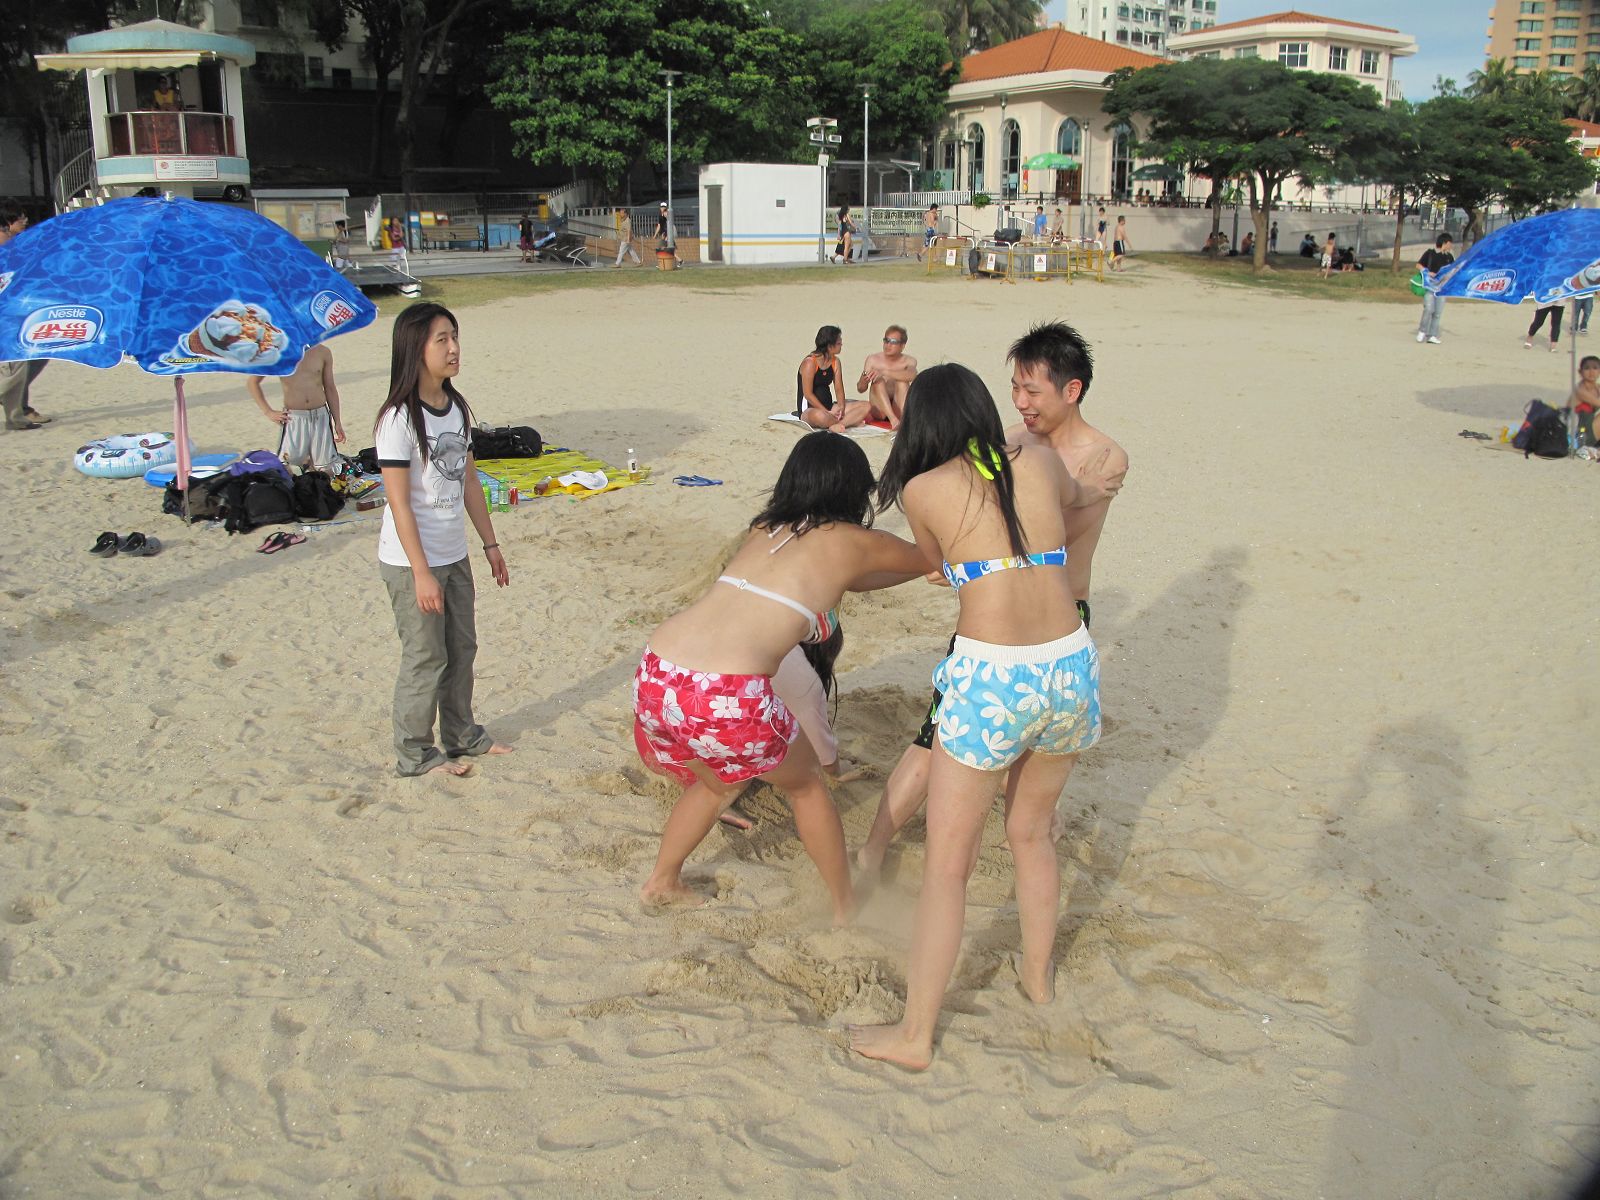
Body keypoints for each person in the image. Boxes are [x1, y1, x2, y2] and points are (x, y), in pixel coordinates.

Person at [847, 362, 1107, 1071]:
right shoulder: (1041, 460)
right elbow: (1081, 501)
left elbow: (937, 564)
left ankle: (915, 1037)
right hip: (1070, 661)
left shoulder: (923, 489)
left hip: (995, 673)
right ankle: (1038, 981)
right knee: (1033, 834)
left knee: (948, 867)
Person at [855, 320, 1126, 886]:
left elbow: (1061, 536)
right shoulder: (1013, 441)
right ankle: (874, 850)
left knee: (1029, 760)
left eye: (1032, 390)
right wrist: (972, 559)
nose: (1020, 403)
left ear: (1071, 390)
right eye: (1014, 389)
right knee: (932, 739)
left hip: (1063, 616)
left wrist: (983, 559)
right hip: (993, 624)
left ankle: (1029, 825)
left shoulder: (1104, 457)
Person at [631, 432, 930, 917]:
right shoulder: (851, 540)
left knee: (717, 784)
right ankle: (845, 908)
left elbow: (852, 579)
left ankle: (662, 880)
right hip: (724, 689)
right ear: (852, 489)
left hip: (657, 671)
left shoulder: (764, 528)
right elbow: (929, 556)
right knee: (806, 785)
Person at [374, 303, 513, 778]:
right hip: (412, 561)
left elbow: (469, 481)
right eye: (442, 340)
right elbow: (399, 504)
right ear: (416, 348)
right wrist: (420, 572)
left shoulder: (456, 407)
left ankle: (462, 736)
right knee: (425, 657)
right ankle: (415, 754)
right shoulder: (397, 419)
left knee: (462, 649)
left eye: (455, 337)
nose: (454, 348)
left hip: (454, 554)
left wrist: (490, 545)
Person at [247, 343, 345, 472]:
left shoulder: (322, 352)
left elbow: (330, 387)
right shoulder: (278, 353)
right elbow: (252, 382)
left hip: (320, 416)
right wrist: (268, 411)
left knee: (325, 468)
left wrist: (337, 421)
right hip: (294, 417)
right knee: (289, 467)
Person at [0, 202, 49, 428]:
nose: (25, 221)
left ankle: (18, 414)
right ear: (7, 222)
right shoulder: (6, 247)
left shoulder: (15, 245)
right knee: (16, 367)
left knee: (30, 358)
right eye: (20, 218)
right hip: (8, 317)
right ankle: (18, 414)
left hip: (17, 313)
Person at [797, 326, 872, 432]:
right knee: (821, 417)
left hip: (829, 407)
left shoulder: (835, 362)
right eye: (838, 342)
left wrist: (841, 408)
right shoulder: (810, 363)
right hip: (810, 410)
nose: (841, 344)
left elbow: (838, 389)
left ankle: (839, 424)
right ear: (829, 346)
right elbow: (808, 394)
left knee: (867, 406)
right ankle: (849, 422)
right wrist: (826, 412)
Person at [855, 324, 918, 430]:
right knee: (878, 381)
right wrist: (864, 378)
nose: (888, 345)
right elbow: (861, 389)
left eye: (893, 342)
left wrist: (884, 372)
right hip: (879, 411)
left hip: (898, 409)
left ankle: (899, 419)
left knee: (902, 382)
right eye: (886, 340)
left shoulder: (909, 361)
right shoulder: (873, 360)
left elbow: (912, 375)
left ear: (902, 346)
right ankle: (893, 420)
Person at [1415, 233, 1454, 345]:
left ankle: (1432, 335)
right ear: (1444, 243)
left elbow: (1452, 270)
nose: (1451, 246)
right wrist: (1427, 272)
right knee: (1428, 309)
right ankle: (1422, 331)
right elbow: (1418, 265)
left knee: (1437, 313)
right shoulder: (1430, 253)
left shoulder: (1449, 257)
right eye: (1450, 243)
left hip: (1442, 289)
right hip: (1429, 287)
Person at [1572, 355, 1599, 446]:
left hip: (1590, 429)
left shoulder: (1597, 388)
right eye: (1587, 368)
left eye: (1595, 368)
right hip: (1581, 435)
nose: (1591, 372)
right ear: (1580, 372)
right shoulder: (1581, 391)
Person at [654, 201, 679, 266]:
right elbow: (660, 226)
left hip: (669, 233)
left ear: (666, 207)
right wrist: (657, 234)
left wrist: (668, 235)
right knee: (668, 249)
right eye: (662, 207)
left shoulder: (666, 214)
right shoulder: (661, 215)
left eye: (664, 207)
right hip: (666, 233)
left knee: (664, 248)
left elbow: (669, 225)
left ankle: (664, 263)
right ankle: (677, 261)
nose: (662, 208)